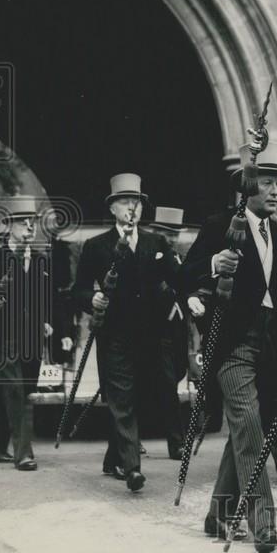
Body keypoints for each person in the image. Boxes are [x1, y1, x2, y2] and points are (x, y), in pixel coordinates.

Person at [179, 140, 277, 553]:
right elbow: (183, 276)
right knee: (250, 425)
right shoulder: (221, 224)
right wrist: (212, 265)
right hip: (233, 342)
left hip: (276, 344)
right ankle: (262, 522)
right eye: (269, 183)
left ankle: (218, 515)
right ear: (248, 187)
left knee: (248, 426)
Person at [72, 174, 177, 492]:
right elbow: (76, 290)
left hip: (149, 334)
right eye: (126, 202)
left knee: (141, 395)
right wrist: (92, 299)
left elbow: (176, 278)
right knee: (121, 396)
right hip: (114, 334)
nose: (133, 208)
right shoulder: (95, 246)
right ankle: (132, 467)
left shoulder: (155, 243)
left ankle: (113, 455)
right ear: (113, 208)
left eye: (138, 202)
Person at [0, 196, 73, 471]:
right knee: (16, 392)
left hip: (33, 338)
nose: (30, 227)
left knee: (22, 390)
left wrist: (56, 327)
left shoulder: (41, 261)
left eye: (33, 222)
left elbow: (53, 299)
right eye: (23, 222)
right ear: (9, 226)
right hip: (4, 337)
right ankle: (23, 453)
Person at [140, 206, 190, 461]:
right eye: (166, 233)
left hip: (179, 330)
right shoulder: (148, 257)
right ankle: (176, 443)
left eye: (175, 233)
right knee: (168, 387)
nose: (171, 238)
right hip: (156, 331)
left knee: (175, 376)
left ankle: (132, 435)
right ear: (156, 232)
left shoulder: (180, 258)